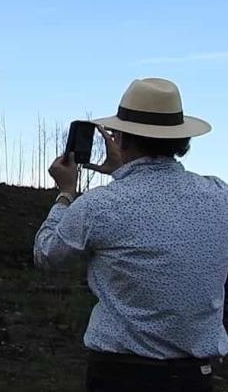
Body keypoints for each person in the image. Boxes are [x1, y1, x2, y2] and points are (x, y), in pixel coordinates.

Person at [34, 78, 228, 392]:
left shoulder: (100, 206)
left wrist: (65, 194)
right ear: (180, 140)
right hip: (197, 377)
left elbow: (47, 254)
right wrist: (122, 171)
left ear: (120, 139)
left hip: (120, 376)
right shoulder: (219, 195)